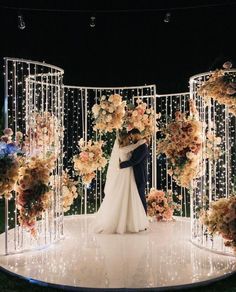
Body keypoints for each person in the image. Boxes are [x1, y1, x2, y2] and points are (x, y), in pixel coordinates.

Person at [92, 131, 148, 234]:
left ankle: (138, 220)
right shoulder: (123, 148)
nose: (130, 139)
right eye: (128, 137)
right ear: (124, 139)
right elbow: (134, 150)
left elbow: (134, 153)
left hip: (131, 174)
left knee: (135, 197)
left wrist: (142, 142)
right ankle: (131, 221)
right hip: (126, 174)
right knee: (127, 195)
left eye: (131, 136)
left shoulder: (135, 146)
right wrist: (141, 142)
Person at [120, 129, 149, 213]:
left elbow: (135, 161)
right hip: (136, 175)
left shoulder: (143, 146)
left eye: (131, 136)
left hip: (140, 176)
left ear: (135, 134)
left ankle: (143, 218)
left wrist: (120, 165)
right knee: (137, 198)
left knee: (141, 198)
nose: (131, 139)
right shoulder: (138, 145)